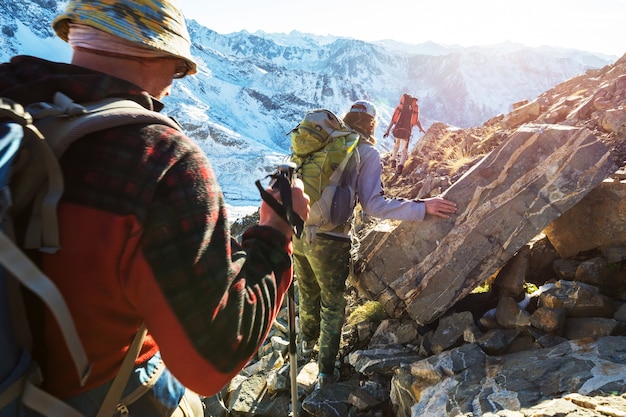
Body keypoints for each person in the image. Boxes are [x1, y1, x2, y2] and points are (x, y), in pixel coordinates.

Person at [0, 0, 309, 415]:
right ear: (158, 54)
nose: (172, 85)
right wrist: (275, 232)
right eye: (179, 68)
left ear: (75, 34)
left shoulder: (16, 111)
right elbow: (214, 356)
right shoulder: (159, 161)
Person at [293, 100, 456, 389]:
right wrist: (422, 207)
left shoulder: (322, 143)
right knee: (333, 306)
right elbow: (374, 205)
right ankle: (325, 375)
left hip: (298, 230)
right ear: (371, 124)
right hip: (331, 240)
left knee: (307, 292)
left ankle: (305, 348)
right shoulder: (366, 152)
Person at [383, 93, 426, 175]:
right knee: (404, 151)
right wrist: (421, 128)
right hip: (406, 132)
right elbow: (416, 120)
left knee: (396, 146)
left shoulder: (400, 107)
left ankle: (393, 161)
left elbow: (393, 120)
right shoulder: (413, 109)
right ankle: (400, 168)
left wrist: (387, 130)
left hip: (397, 130)